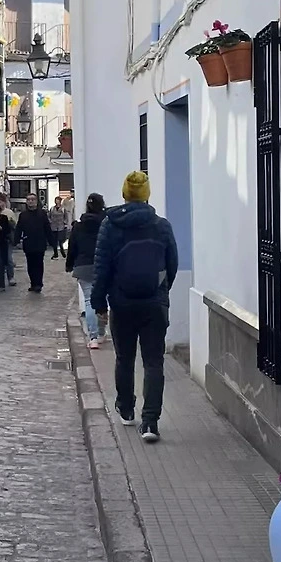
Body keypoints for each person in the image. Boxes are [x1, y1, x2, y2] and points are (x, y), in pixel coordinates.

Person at [91, 171, 178, 443]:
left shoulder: (110, 225)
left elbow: (101, 268)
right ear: (147, 194)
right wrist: (161, 291)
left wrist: (99, 303)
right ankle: (150, 422)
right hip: (154, 304)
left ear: (124, 194)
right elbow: (172, 264)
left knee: (124, 358)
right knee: (153, 362)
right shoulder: (161, 226)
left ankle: (126, 408)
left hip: (122, 303)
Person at [66, 193, 107, 348]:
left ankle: (93, 337)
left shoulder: (79, 225)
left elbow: (72, 247)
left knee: (90, 300)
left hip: (83, 266)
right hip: (102, 265)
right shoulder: (106, 223)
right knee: (103, 300)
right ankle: (101, 333)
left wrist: (69, 264)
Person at [14, 193, 53, 293]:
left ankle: (38, 283)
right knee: (30, 264)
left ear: (36, 201)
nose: (30, 201)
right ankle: (33, 283)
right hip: (28, 242)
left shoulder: (42, 214)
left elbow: (47, 228)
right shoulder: (23, 215)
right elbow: (19, 228)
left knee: (39, 263)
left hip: (40, 242)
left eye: (32, 199)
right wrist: (16, 240)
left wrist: (52, 241)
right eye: (28, 200)